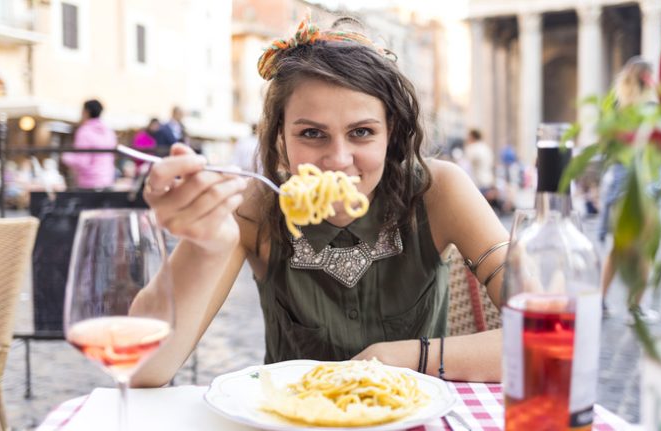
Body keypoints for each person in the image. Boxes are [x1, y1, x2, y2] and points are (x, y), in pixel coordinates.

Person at [132, 16, 509, 387]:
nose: (339, 159)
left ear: (390, 133)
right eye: (312, 133)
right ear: (280, 137)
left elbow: (552, 335)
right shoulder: (255, 207)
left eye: (362, 132)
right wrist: (206, 244)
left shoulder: (439, 189)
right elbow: (142, 367)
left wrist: (406, 357)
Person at [599, 57, 661, 321]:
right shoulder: (650, 107)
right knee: (647, 249)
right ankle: (636, 308)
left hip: (619, 184)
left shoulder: (614, 106)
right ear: (647, 78)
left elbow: (607, 146)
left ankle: (599, 302)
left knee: (617, 248)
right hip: (646, 182)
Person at [62, 99, 117, 189]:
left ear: (86, 112)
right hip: (108, 181)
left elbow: (82, 162)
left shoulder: (84, 131)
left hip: (89, 183)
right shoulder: (109, 132)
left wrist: (66, 157)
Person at [463, 129, 499, 209]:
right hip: (488, 182)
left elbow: (464, 166)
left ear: (472, 136)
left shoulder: (472, 148)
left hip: (477, 184)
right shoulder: (486, 148)